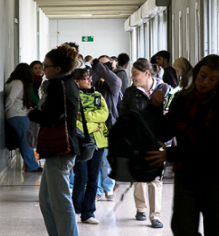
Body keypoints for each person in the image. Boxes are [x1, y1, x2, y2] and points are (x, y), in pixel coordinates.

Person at [146, 55, 219, 235]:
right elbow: (165, 132)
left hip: (215, 177)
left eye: (212, 79)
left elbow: (210, 144)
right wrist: (155, 107)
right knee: (182, 228)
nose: (205, 82)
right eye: (202, 75)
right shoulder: (182, 98)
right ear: (196, 73)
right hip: (186, 175)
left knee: (217, 230)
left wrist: (170, 154)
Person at [27, 44, 79, 236]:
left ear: (57, 69)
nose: (43, 69)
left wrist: (33, 114)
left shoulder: (58, 85)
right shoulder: (68, 83)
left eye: (46, 66)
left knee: (60, 202)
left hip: (61, 150)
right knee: (47, 201)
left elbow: (52, 116)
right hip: (59, 150)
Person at [120, 59, 167, 229]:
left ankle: (155, 216)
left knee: (155, 179)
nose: (132, 77)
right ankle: (141, 208)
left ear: (146, 73)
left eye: (135, 74)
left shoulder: (164, 89)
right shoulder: (130, 93)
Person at [71, 68, 109, 225]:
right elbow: (74, 120)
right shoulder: (74, 97)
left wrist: (84, 116)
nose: (89, 80)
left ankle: (88, 212)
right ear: (76, 81)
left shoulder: (97, 96)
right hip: (81, 143)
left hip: (98, 143)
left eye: (89, 78)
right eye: (85, 78)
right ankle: (76, 208)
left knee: (94, 178)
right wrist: (92, 126)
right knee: (81, 177)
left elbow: (104, 115)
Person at [90, 55, 122, 200]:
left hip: (110, 126)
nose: (102, 68)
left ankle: (108, 187)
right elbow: (90, 78)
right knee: (95, 160)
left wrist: (98, 64)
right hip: (94, 127)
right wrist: (96, 67)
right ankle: (96, 189)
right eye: (100, 65)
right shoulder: (92, 84)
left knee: (108, 160)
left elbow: (111, 78)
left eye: (106, 65)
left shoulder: (115, 83)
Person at [5, 63, 41, 172]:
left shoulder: (14, 82)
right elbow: (11, 99)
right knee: (26, 141)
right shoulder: (18, 83)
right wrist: (5, 110)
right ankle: (32, 166)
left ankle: (31, 164)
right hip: (17, 115)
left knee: (25, 140)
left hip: (18, 114)